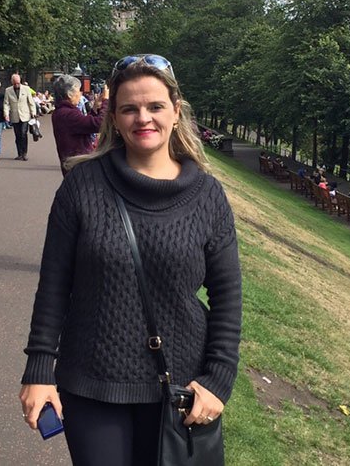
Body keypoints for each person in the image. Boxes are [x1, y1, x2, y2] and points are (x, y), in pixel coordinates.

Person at [19, 53, 241, 465]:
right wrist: (38, 369)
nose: (144, 118)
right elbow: (53, 285)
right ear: (114, 118)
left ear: (176, 112)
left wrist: (218, 380)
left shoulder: (208, 196)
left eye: (155, 106)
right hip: (91, 385)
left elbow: (227, 295)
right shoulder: (82, 187)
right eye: (130, 108)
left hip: (179, 389)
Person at [51, 74, 109, 175]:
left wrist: (95, 107)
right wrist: (106, 102)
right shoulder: (68, 113)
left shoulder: (62, 111)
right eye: (78, 90)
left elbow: (84, 125)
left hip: (74, 164)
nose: (81, 94)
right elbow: (99, 124)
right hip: (79, 165)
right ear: (69, 94)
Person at [3, 72, 36, 161]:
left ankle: (24, 153)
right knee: (17, 135)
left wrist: (33, 112)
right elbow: (6, 103)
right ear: (12, 82)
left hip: (25, 115)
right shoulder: (8, 90)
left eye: (18, 83)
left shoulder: (26, 89)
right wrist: (6, 114)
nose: (17, 85)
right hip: (14, 115)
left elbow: (31, 102)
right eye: (15, 83)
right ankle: (19, 153)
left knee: (23, 133)